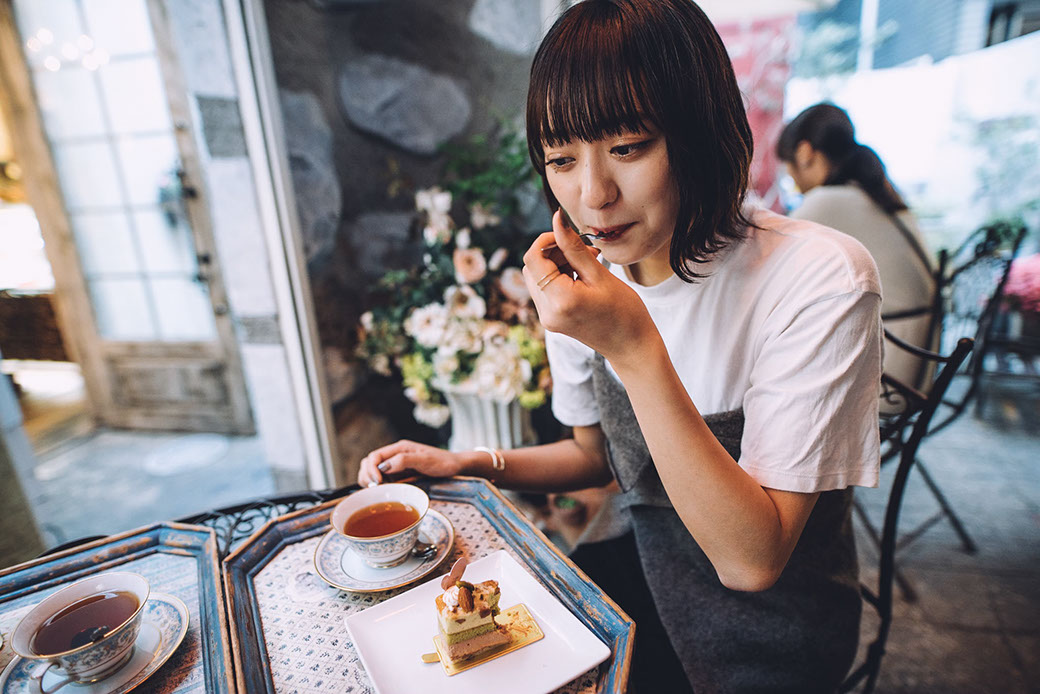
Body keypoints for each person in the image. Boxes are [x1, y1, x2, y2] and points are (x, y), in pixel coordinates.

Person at [359, 2, 882, 691]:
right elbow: (593, 456)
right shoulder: (587, 279)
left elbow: (753, 561)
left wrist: (633, 346)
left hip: (766, 633)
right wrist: (467, 462)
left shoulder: (817, 278)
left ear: (700, 132)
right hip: (641, 578)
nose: (593, 195)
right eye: (561, 159)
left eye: (628, 147)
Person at [778, 103, 935, 388]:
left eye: (788, 169)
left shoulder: (827, 200)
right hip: (917, 365)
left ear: (804, 153)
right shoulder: (879, 193)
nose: (794, 182)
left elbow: (771, 258)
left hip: (889, 378)